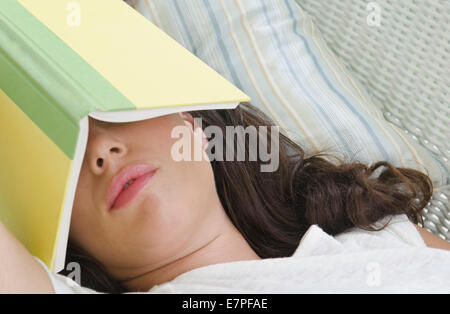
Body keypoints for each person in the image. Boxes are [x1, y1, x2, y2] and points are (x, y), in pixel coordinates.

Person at [1, 102, 449, 294]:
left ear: (191, 121)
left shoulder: (383, 241)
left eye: (112, 109)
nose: (100, 149)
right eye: (62, 147)